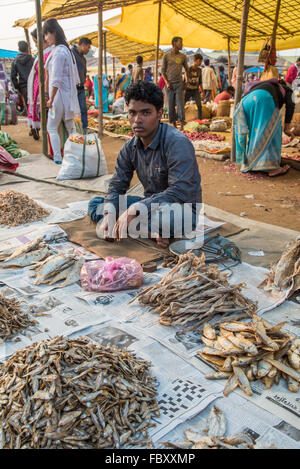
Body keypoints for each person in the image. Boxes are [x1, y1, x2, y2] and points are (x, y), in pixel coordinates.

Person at [88, 81, 202, 248]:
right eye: (132, 113)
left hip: (180, 209)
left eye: (146, 113)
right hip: (149, 205)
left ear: (159, 113)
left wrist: (135, 209)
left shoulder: (177, 143)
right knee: (97, 204)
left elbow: (179, 191)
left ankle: (137, 226)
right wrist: (109, 214)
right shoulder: (130, 147)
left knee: (167, 219)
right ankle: (147, 230)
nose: (137, 120)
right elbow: (117, 186)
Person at [234, 78, 295, 177]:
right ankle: (272, 168)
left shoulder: (265, 86)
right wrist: (287, 128)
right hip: (264, 100)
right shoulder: (288, 90)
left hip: (245, 101)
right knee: (273, 133)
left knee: (255, 132)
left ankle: (251, 163)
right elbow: (291, 106)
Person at [43, 19, 80, 164]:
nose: (46, 38)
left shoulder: (58, 52)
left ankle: (58, 158)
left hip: (58, 95)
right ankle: (76, 157)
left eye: (46, 34)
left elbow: (56, 79)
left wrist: (51, 99)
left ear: (53, 33)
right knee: (71, 127)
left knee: (51, 127)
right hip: (68, 95)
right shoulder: (66, 50)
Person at [27, 29, 53, 141]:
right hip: (38, 88)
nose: (36, 44)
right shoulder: (41, 54)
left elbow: (47, 73)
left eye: (36, 41)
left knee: (47, 117)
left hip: (45, 89)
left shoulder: (49, 53)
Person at [161, 36, 188, 130]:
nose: (182, 44)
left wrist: (186, 81)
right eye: (180, 42)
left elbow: (186, 70)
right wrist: (167, 82)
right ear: (174, 43)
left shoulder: (183, 56)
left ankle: (181, 125)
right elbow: (163, 71)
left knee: (180, 105)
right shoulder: (166, 56)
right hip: (169, 85)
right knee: (170, 105)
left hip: (179, 84)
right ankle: (174, 125)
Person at [72, 37, 92, 134]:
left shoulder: (83, 59)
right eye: (88, 47)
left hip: (80, 87)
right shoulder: (71, 54)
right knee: (72, 110)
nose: (88, 50)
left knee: (83, 108)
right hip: (72, 87)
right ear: (83, 45)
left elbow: (84, 73)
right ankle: (73, 129)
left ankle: (84, 128)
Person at [10, 41, 34, 116]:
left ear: (19, 49)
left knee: (27, 105)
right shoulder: (32, 59)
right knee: (35, 104)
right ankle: (37, 123)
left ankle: (32, 125)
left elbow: (13, 76)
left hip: (23, 87)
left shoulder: (15, 61)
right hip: (34, 84)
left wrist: (17, 87)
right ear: (27, 48)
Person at [185, 53, 204, 120]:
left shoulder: (199, 70)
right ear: (195, 60)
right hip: (188, 89)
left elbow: (200, 81)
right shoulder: (189, 69)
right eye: (199, 61)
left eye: (201, 61)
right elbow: (185, 78)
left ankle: (200, 120)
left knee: (199, 105)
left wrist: (202, 91)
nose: (200, 62)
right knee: (182, 104)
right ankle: (180, 118)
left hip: (196, 90)